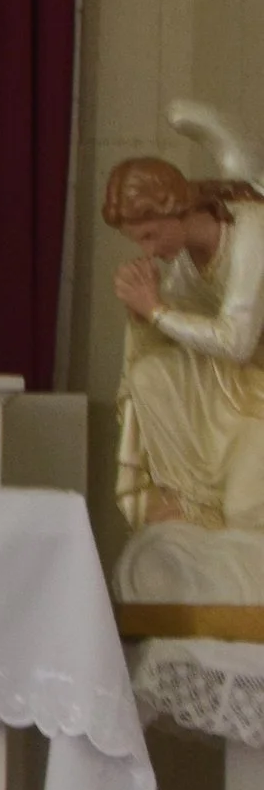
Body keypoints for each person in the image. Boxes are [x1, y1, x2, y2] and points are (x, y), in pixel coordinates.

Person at [105, 107, 264, 597]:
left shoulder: (251, 233)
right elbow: (180, 330)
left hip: (253, 387)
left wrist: (154, 311)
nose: (149, 249)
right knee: (151, 374)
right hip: (230, 385)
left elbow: (236, 340)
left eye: (151, 235)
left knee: (246, 512)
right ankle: (189, 500)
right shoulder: (179, 261)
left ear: (176, 210)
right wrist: (143, 312)